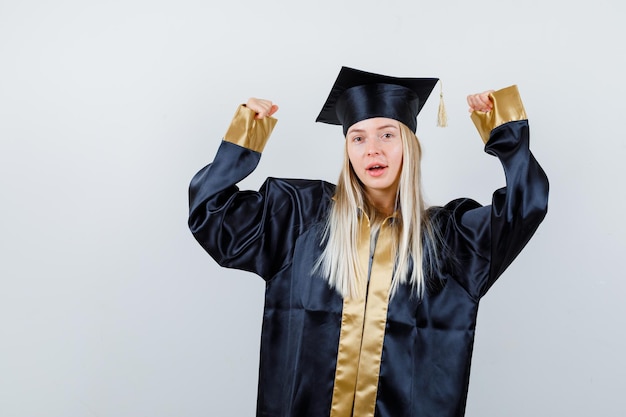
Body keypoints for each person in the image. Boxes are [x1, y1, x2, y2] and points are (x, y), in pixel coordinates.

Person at [188, 66, 549, 417]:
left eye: (387, 134)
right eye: (358, 137)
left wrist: (504, 132)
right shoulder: (298, 216)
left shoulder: (450, 239)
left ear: (410, 145)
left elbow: (524, 208)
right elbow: (211, 213)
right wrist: (245, 136)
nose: (372, 149)